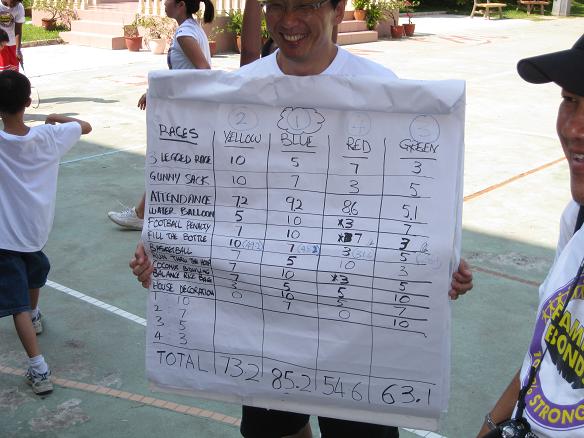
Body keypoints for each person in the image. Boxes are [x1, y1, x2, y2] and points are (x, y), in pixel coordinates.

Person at [131, 0, 474, 435]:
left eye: (306, 5)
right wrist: (165, 256)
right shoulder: (239, 90)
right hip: (263, 328)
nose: (288, 21)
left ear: (338, 9)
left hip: (354, 334)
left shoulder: (384, 91)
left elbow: (414, 204)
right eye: (277, 5)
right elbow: (203, 199)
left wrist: (440, 264)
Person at [477, 34, 584, 438]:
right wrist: (491, 424)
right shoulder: (577, 218)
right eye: (569, 99)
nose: (573, 128)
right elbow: (545, 350)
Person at [0, 70, 91, 395]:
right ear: (28, 102)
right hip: (35, 232)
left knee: (20, 302)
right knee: (33, 276)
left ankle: (38, 362)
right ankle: (36, 343)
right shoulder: (49, 137)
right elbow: (85, 126)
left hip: (5, 237)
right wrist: (55, 117)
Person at [107, 0, 214, 230]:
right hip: (188, 111)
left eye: (168, 0)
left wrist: (157, 91)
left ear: (181, 5)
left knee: (165, 163)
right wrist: (154, 91)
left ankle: (141, 214)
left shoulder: (186, 34)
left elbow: (204, 71)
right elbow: (183, 72)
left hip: (186, 113)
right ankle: (144, 213)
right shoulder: (191, 29)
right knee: (173, 163)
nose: (164, 3)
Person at [0, 0, 24, 72]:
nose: (14, 5)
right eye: (13, 2)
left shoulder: (19, 7)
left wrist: (18, 50)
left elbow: (18, 29)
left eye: (17, 3)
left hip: (13, 44)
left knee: (14, 71)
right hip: (1, 44)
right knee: (3, 71)